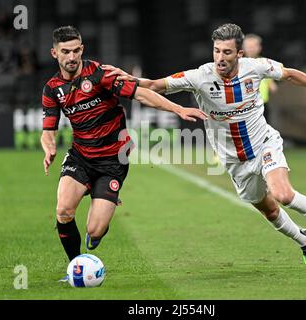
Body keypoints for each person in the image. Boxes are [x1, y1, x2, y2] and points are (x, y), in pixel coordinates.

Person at [104, 23, 306, 272]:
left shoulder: (257, 67)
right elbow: (155, 84)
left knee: (283, 194)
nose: (220, 57)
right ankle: (304, 242)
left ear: (239, 53)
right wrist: (131, 78)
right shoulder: (199, 76)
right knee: (270, 210)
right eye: (216, 50)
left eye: (226, 52)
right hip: (235, 162)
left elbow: (290, 74)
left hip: (263, 145)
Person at [40, 26, 207, 281]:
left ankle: (98, 228)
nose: (71, 57)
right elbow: (48, 129)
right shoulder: (52, 88)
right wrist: (49, 146)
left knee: (94, 231)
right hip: (80, 157)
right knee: (63, 210)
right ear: (55, 53)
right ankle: (75, 268)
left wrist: (178, 109)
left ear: (82, 49)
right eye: (65, 52)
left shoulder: (101, 74)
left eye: (75, 50)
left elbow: (142, 94)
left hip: (112, 161)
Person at [243, 34, 277, 123]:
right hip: (245, 104)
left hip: (263, 103)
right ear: (243, 48)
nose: (251, 48)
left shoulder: (265, 63)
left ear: (259, 47)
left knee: (265, 127)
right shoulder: (239, 64)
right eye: (248, 46)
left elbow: (271, 84)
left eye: (254, 46)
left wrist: (272, 85)